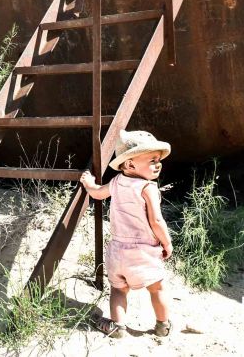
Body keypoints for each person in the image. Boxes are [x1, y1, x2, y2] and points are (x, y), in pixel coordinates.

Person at [79, 129, 174, 339]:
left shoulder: (115, 182)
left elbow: (97, 193)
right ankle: (162, 326)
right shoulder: (147, 188)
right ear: (130, 164)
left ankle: (117, 326)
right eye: (151, 160)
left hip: (117, 251)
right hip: (143, 251)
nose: (158, 164)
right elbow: (156, 221)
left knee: (119, 290)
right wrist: (167, 243)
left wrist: (88, 183)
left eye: (158, 159)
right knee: (157, 288)